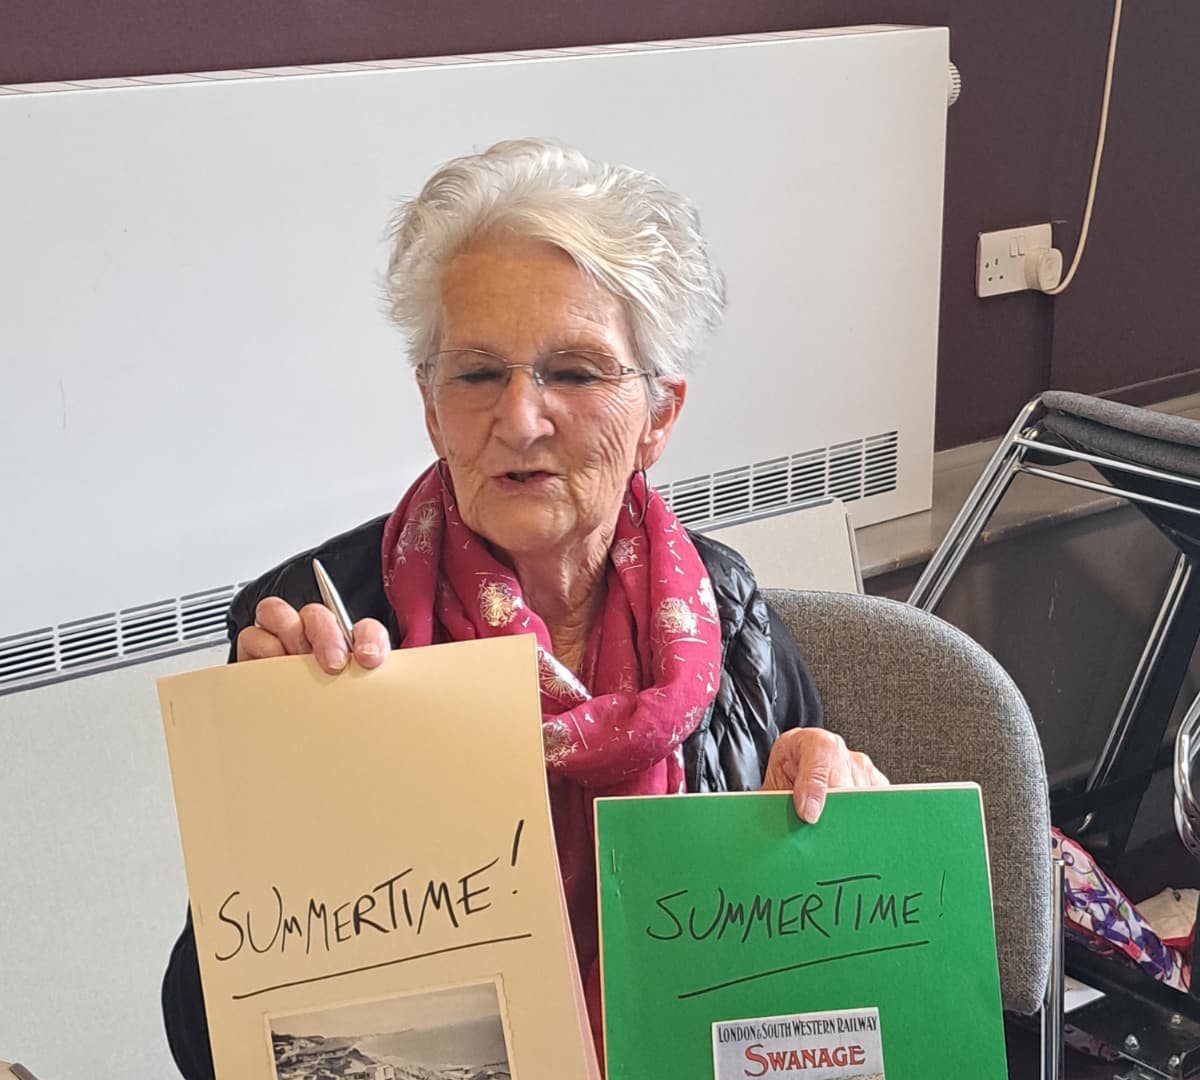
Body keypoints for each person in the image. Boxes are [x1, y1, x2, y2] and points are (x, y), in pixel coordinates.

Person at [161, 137, 887, 1077]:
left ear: (659, 416)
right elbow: (207, 1038)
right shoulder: (319, 627)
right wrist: (273, 813)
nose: (519, 419)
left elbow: (818, 993)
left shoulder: (728, 610)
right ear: (430, 405)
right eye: (476, 374)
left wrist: (842, 829)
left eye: (575, 372)